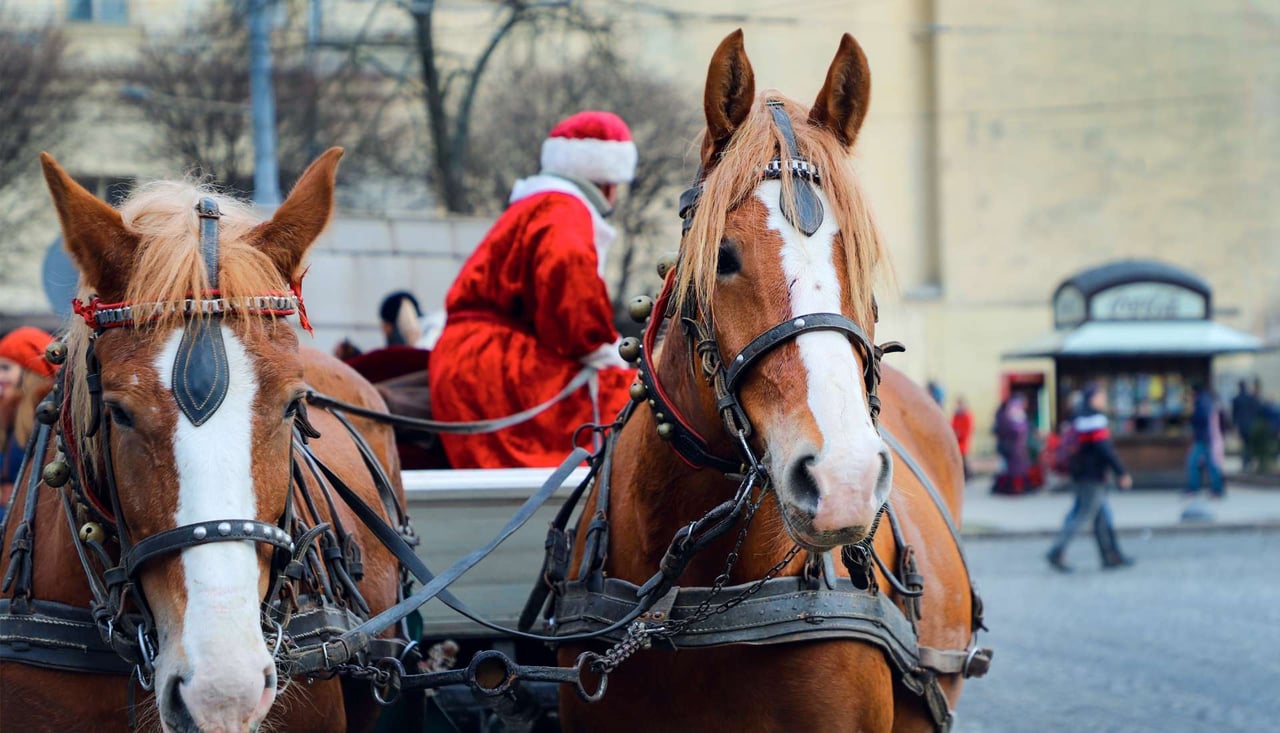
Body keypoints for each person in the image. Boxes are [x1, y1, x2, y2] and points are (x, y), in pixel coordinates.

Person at [428, 110, 638, 468]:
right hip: (495, 368)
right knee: (629, 396)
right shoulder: (564, 212)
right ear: (607, 181)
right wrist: (607, 352)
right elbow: (573, 307)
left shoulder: (540, 205)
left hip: (473, 359)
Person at [1046, 384, 1134, 572]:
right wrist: (1121, 472)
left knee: (1101, 517)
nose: (1104, 400)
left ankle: (1111, 555)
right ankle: (1057, 550)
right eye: (1101, 396)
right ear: (1093, 398)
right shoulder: (1093, 419)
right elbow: (1104, 449)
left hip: (1081, 474)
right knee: (1082, 515)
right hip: (1092, 476)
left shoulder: (1079, 417)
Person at [0, 326, 58, 520]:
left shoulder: (47, 416)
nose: (0, 377)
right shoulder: (7, 413)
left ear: (30, 372)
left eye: (6, 368)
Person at [1186, 384, 1225, 498]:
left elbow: (1201, 419)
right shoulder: (1207, 401)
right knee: (1211, 463)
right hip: (1208, 438)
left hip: (1204, 438)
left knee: (1193, 463)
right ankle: (1217, 489)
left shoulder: (1202, 402)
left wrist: (1192, 416)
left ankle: (1195, 488)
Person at [992, 395, 1033, 494]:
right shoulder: (1010, 417)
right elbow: (1015, 431)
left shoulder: (1015, 416)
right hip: (1012, 448)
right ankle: (1012, 488)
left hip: (1016, 448)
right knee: (1012, 470)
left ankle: (1017, 487)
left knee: (1013, 469)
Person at [1231, 379, 1260, 471]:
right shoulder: (1250, 398)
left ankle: (1245, 462)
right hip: (1251, 424)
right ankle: (1248, 461)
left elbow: (1234, 414)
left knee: (1245, 444)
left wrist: (1234, 426)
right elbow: (1256, 410)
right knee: (1249, 444)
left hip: (1242, 425)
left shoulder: (1236, 399)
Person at [951, 396, 974, 480]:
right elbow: (952, 425)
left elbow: (968, 429)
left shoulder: (967, 415)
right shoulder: (956, 415)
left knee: (963, 459)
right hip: (956, 440)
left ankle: (968, 475)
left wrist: (959, 433)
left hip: (963, 441)